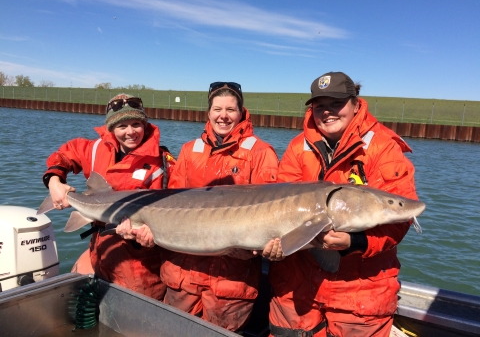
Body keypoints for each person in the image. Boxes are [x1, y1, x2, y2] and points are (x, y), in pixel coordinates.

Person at [263, 72, 419, 337]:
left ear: (355, 104)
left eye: (336, 103)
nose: (327, 112)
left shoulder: (383, 148)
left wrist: (353, 243)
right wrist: (272, 244)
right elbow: (278, 205)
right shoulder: (297, 146)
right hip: (296, 286)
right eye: (319, 106)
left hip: (359, 291)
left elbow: (400, 219)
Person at [121, 82, 279, 332]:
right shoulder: (189, 151)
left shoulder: (260, 153)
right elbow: (168, 206)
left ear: (241, 112)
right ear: (208, 112)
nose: (223, 116)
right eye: (217, 109)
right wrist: (151, 233)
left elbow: (272, 214)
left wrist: (256, 249)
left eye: (230, 109)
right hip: (181, 274)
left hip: (230, 281)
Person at [43, 93, 175, 301]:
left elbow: (172, 213)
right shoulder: (95, 149)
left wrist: (147, 238)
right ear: (111, 128)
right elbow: (65, 155)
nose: (130, 132)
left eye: (136, 124)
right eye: (122, 126)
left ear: (144, 124)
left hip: (139, 265)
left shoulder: (163, 164)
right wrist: (54, 181)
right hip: (101, 250)